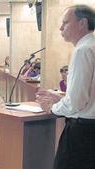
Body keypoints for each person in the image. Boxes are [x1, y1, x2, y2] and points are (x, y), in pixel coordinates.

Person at [36, 5, 95, 169]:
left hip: (83, 131)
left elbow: (77, 102)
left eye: (65, 23)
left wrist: (52, 107)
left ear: (82, 23)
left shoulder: (83, 50)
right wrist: (62, 98)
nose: (61, 28)